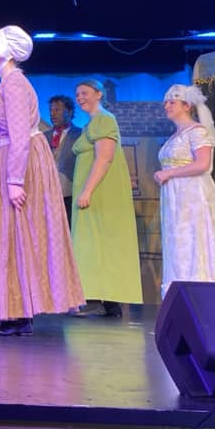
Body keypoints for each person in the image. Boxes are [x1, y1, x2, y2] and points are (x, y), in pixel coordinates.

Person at [0, 25, 84, 336]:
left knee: (17, 232)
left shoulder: (15, 84)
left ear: (3, 53)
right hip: (11, 159)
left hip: (20, 162)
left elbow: (19, 135)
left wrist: (15, 179)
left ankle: (19, 311)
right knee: (11, 234)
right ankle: (13, 309)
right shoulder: (5, 82)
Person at [71, 78, 142, 317]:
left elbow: (105, 158)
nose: (80, 97)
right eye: (77, 94)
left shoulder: (104, 119)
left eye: (85, 93)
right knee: (93, 242)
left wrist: (87, 190)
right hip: (92, 192)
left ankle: (97, 298)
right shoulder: (90, 123)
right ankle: (104, 300)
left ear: (99, 94)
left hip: (100, 193)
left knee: (96, 242)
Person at [154, 84, 215, 296]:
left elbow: (203, 164)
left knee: (194, 239)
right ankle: (180, 291)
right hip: (175, 196)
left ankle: (201, 290)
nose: (166, 105)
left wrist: (169, 174)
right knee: (178, 241)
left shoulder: (197, 131)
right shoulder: (175, 135)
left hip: (193, 194)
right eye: (166, 102)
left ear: (186, 106)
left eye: (172, 102)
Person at [43, 95, 82, 223]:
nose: (53, 114)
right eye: (51, 110)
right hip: (46, 194)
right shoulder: (43, 137)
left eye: (57, 110)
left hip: (70, 192)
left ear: (69, 112)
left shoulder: (80, 134)